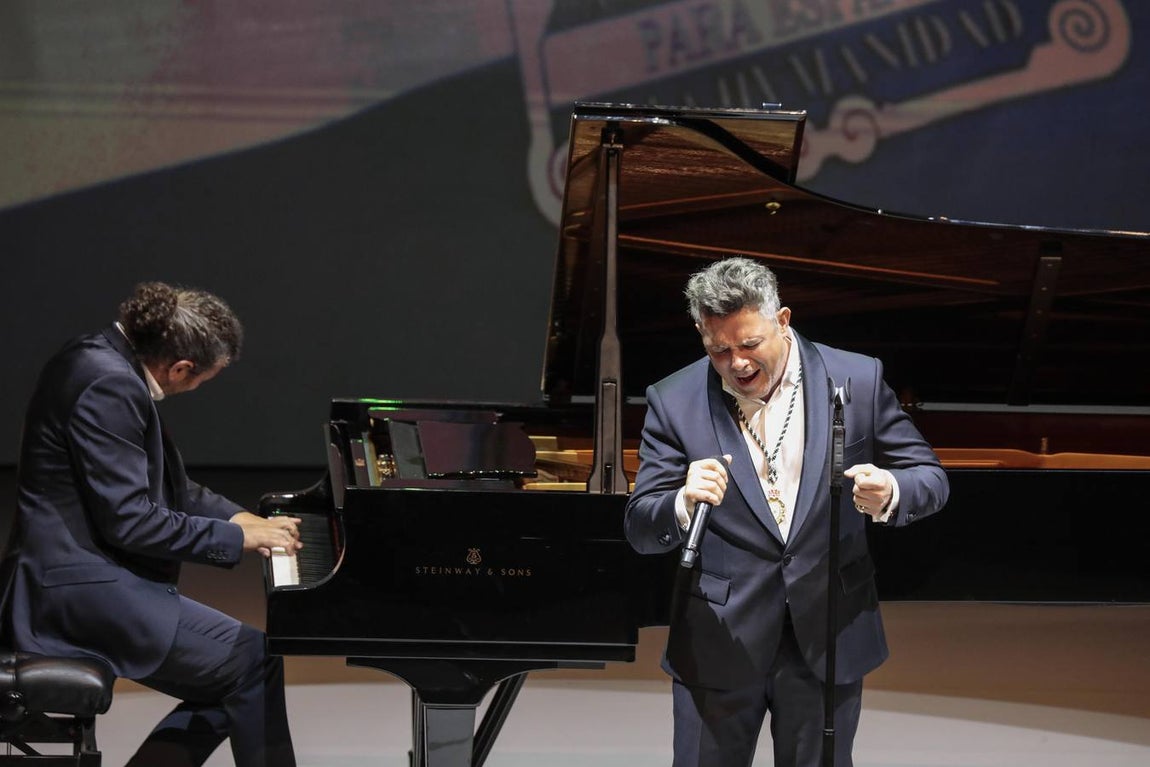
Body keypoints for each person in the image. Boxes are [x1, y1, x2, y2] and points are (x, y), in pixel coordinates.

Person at [624, 257, 949, 767]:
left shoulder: (857, 379)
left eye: (749, 344)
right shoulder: (673, 399)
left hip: (828, 633)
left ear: (783, 320)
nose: (737, 364)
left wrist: (890, 490)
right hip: (718, 640)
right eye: (718, 350)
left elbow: (929, 478)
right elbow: (642, 525)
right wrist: (680, 501)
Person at [0, 281, 303, 767]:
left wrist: (238, 516)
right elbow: (131, 521)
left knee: (232, 674)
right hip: (73, 589)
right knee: (250, 661)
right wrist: (236, 538)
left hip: (76, 574)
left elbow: (168, 487)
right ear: (181, 367)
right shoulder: (110, 384)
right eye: (206, 377)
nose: (200, 386)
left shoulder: (99, 356)